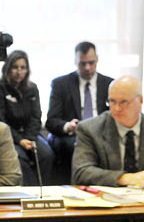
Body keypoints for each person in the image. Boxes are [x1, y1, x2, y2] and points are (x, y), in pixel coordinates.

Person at [45, 41, 113, 182]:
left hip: (103, 133)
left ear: (97, 60)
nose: (87, 68)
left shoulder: (109, 84)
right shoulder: (61, 84)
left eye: (91, 62)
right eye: (82, 63)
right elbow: (51, 121)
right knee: (73, 146)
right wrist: (67, 126)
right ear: (75, 61)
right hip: (73, 136)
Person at [0, 50, 54, 186]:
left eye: (23, 68)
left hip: (30, 135)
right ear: (8, 68)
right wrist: (20, 140)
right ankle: (31, 192)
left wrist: (29, 138)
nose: (19, 71)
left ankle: (45, 190)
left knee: (46, 154)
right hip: (8, 136)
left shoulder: (32, 88)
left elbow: (36, 117)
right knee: (19, 158)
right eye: (15, 67)